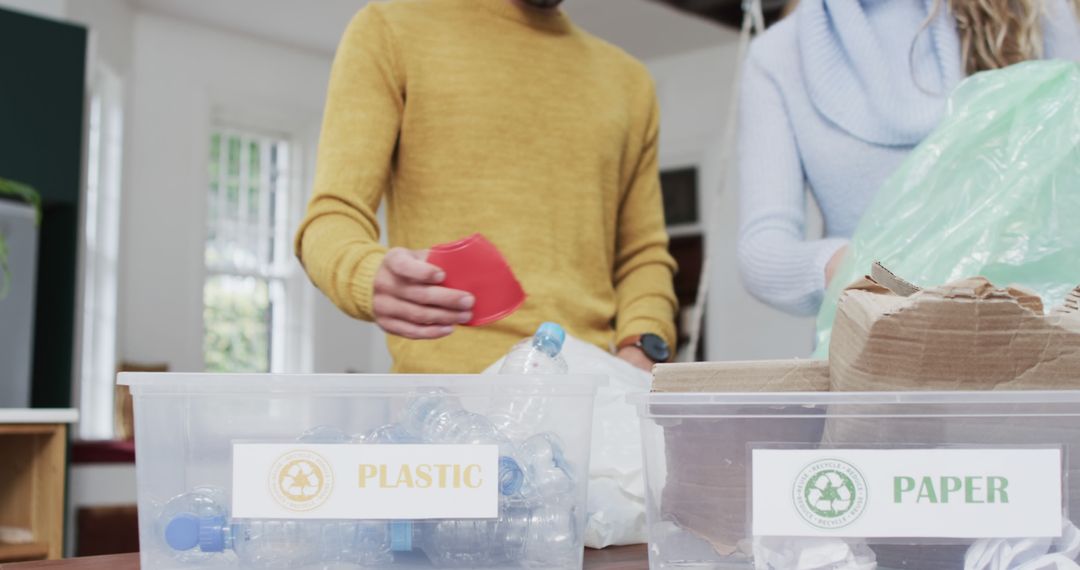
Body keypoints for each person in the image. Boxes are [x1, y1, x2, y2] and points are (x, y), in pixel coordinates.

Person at [295, 0, 678, 373]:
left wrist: (642, 347)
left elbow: (642, 255)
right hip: (444, 409)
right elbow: (330, 218)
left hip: (588, 403)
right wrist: (366, 274)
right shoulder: (389, 30)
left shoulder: (629, 82)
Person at [737, 0, 1080, 316]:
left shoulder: (1031, 13)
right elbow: (763, 250)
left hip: (1033, 340)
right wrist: (871, 275)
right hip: (879, 348)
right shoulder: (779, 55)